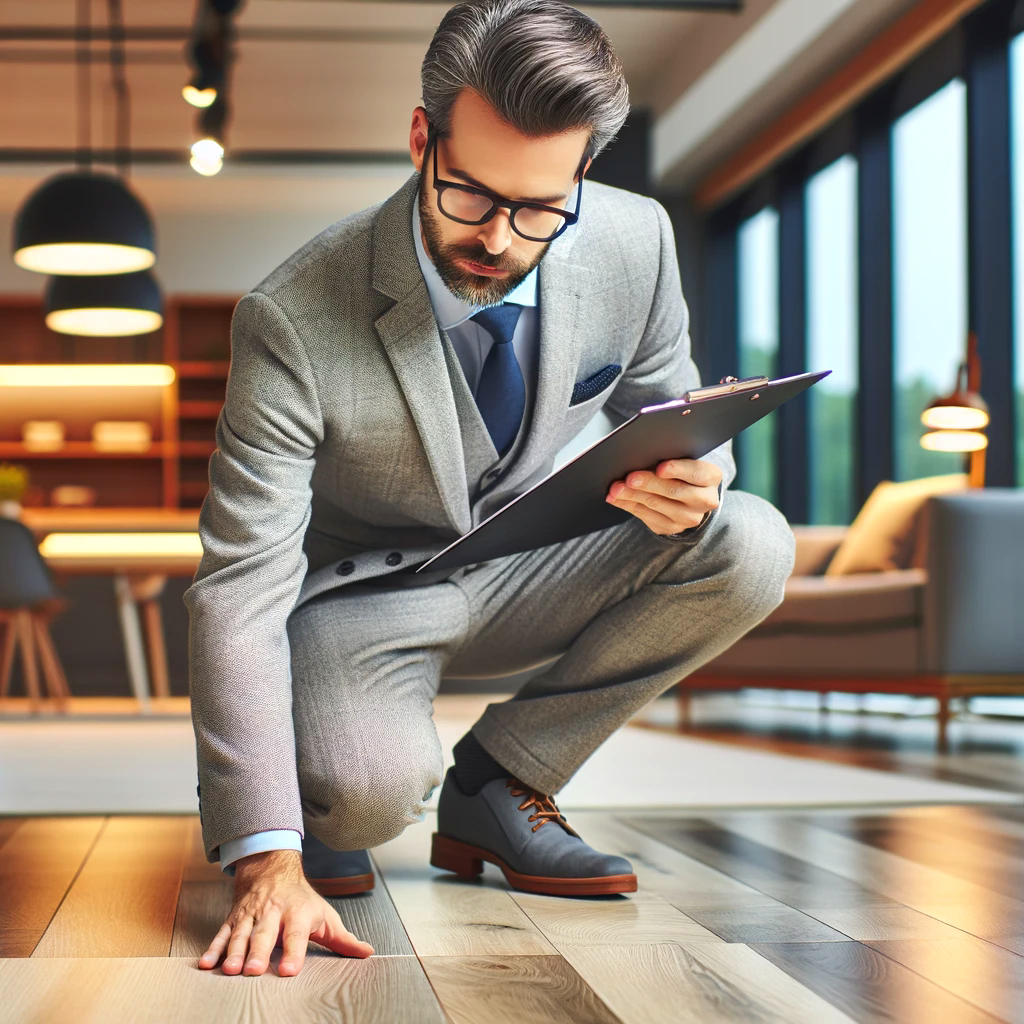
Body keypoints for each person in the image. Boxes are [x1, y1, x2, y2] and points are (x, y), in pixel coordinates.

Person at [188, 0, 795, 980]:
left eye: (541, 207)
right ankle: (316, 798)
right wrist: (265, 855)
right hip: (362, 603)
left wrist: (699, 476)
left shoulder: (635, 241)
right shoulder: (290, 318)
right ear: (420, 139)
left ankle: (502, 781)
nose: (500, 239)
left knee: (750, 541)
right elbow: (238, 588)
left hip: (526, 566)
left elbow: (674, 405)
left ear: (583, 173)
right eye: (469, 194)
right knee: (363, 799)